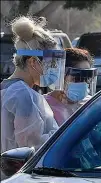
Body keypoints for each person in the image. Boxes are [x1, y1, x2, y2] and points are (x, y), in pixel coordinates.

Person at [1, 16, 63, 153]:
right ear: (33, 62)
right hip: (16, 173)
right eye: (51, 63)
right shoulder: (23, 95)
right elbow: (33, 146)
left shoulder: (7, 89)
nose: (55, 69)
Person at [44, 48, 97, 125]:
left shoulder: (91, 103)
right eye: (78, 78)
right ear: (61, 75)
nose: (84, 83)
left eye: (88, 78)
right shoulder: (43, 105)